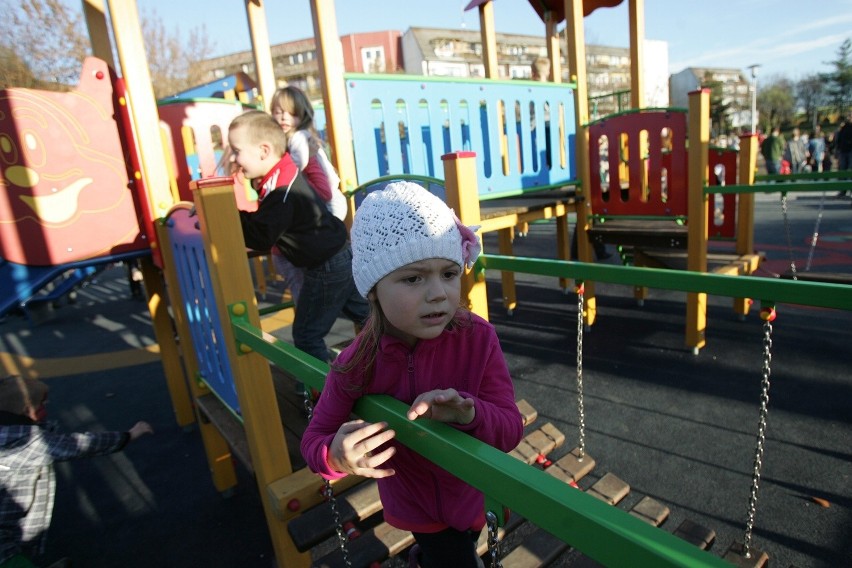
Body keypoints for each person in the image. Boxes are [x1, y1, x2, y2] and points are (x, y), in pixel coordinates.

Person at [300, 182, 524, 568]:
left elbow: (510, 429)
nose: (438, 293)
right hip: (419, 508)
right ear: (373, 291)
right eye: (413, 278)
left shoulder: (477, 339)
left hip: (471, 494)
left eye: (449, 273)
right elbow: (314, 439)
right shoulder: (357, 362)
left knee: (464, 542)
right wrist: (334, 455)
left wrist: (469, 414)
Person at [228, 110, 369, 363]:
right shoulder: (280, 174)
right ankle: (408, 356)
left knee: (306, 335)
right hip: (338, 255)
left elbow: (262, 236)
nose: (233, 158)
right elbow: (265, 219)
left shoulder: (282, 192)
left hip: (326, 265)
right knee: (370, 319)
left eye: (236, 151)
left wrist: (226, 213)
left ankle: (326, 394)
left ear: (263, 151)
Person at [0, 375, 153, 568]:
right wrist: (128, 436)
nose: (46, 406)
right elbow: (78, 445)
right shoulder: (28, 442)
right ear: (27, 411)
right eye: (42, 404)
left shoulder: (7, 428)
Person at [269, 86, 348, 303]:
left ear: (302, 115)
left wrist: (274, 170)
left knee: (324, 252)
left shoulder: (299, 137)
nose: (284, 117)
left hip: (331, 202)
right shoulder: (289, 140)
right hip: (325, 201)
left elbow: (298, 164)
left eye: (291, 112)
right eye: (278, 111)